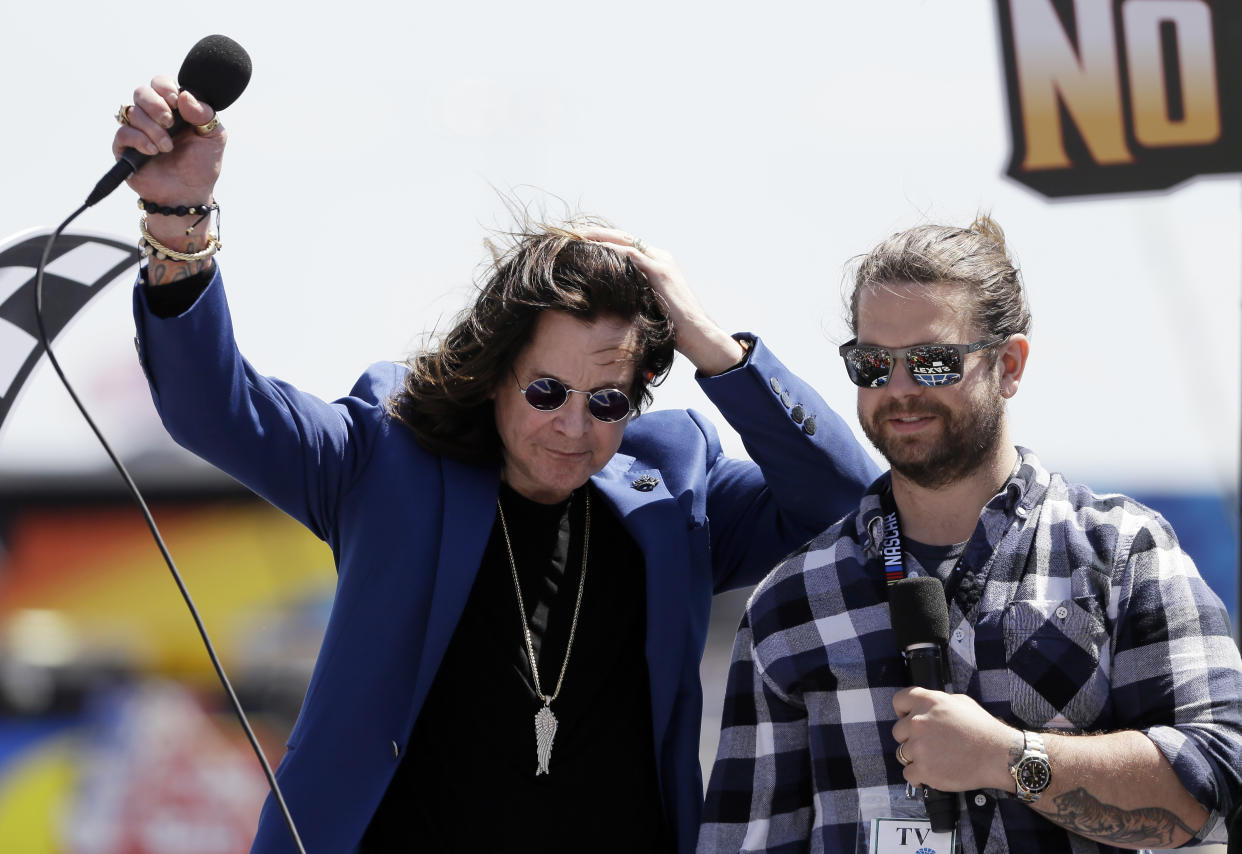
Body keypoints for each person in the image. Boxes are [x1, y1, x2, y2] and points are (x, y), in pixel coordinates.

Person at [110, 78, 879, 853]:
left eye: (608, 400)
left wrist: (713, 345)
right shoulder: (386, 456)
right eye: (547, 392)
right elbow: (214, 407)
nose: (573, 427)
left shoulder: (674, 489)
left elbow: (845, 500)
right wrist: (179, 218)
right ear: (497, 371)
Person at [697, 216, 1242, 853]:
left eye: (931, 362)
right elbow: (743, 840)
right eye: (872, 364)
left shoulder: (1124, 554)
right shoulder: (789, 602)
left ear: (1008, 365)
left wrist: (1010, 759)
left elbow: (1216, 784)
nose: (898, 390)